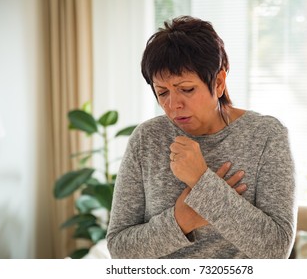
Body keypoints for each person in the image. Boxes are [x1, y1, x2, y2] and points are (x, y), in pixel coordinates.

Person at [106, 15, 296, 258]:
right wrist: (182, 219)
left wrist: (201, 181)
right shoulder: (147, 138)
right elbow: (119, 248)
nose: (173, 105)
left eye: (186, 89)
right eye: (162, 92)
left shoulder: (266, 135)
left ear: (218, 83)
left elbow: (276, 249)